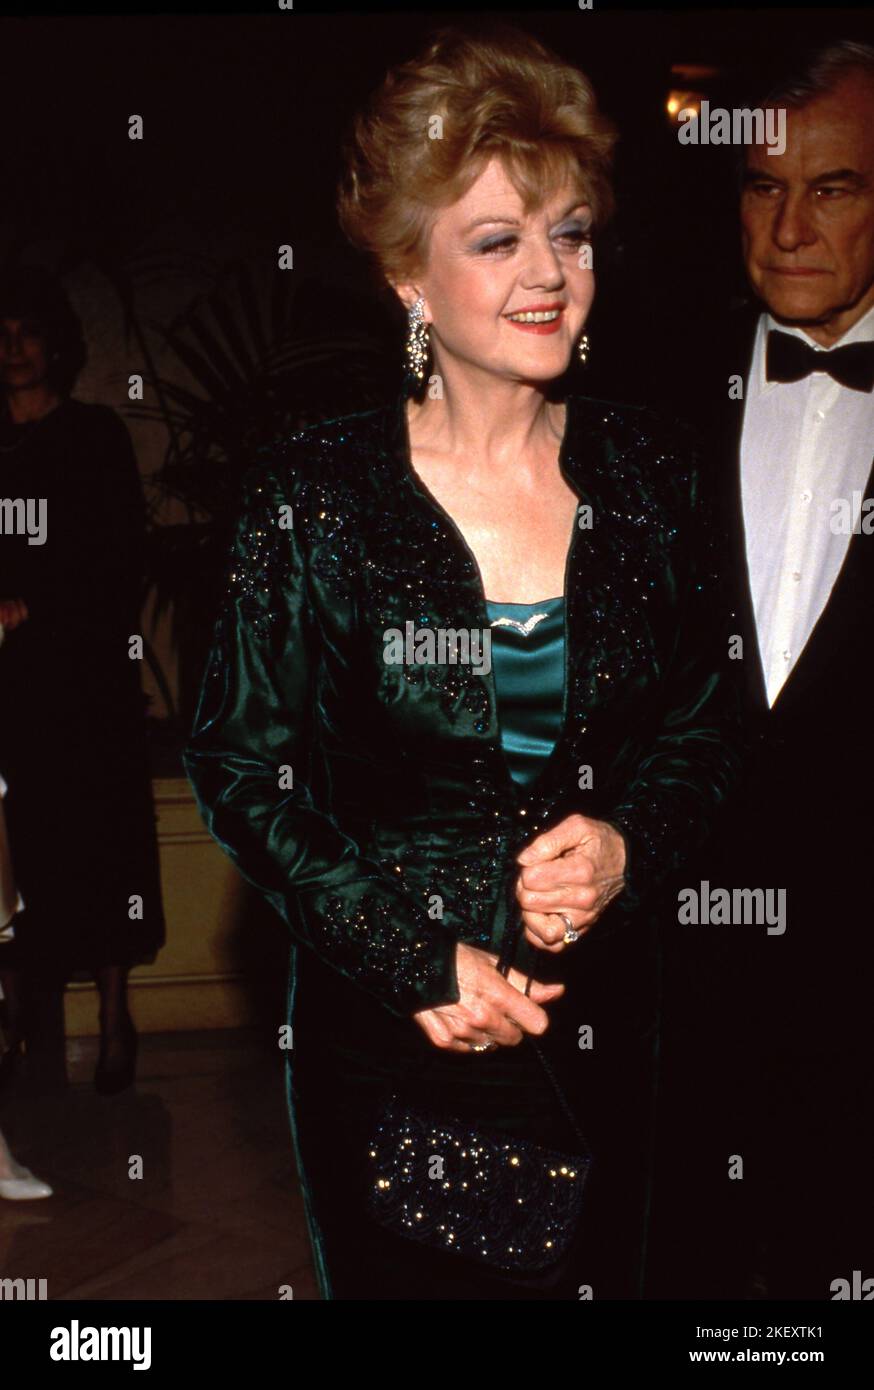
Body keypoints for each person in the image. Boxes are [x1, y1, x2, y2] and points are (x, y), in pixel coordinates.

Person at [184, 23, 744, 1300]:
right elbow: (240, 766)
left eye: (570, 232)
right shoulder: (315, 494)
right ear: (408, 278)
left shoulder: (652, 474)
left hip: (612, 1032)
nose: (549, 272)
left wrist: (624, 842)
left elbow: (713, 713)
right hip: (401, 1047)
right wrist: (408, 956)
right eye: (496, 239)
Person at [654, 39, 874, 1300]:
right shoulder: (647, 403)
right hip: (686, 975)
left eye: (833, 188)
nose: (786, 226)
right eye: (758, 185)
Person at [0, 266, 165, 1095]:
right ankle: (21, 1029)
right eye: (2, 335)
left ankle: (112, 1020)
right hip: (11, 696)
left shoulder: (93, 435)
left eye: (28, 332)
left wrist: (36, 603)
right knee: (20, 856)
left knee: (104, 850)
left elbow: (117, 557)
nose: (15, 349)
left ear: (56, 343)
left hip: (87, 683)